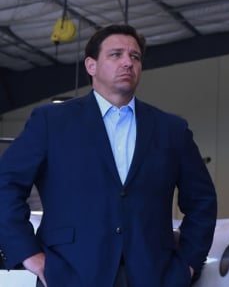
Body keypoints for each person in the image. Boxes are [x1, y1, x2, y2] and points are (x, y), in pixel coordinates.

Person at [0, 24, 217, 287]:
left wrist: (188, 266)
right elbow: (5, 185)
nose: (127, 62)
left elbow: (202, 201)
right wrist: (28, 254)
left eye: (135, 57)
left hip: (154, 276)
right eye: (116, 55)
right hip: (70, 273)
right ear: (91, 66)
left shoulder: (172, 130)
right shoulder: (51, 122)